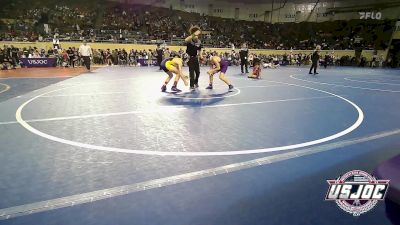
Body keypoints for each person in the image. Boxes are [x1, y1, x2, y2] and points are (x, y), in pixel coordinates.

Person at [185, 26, 203, 90]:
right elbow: (185, 40)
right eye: (195, 35)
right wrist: (193, 34)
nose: (196, 36)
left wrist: (201, 56)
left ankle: (196, 82)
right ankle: (191, 85)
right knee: (191, 72)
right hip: (189, 58)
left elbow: (200, 49)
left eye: (197, 35)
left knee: (198, 72)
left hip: (195, 58)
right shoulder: (189, 40)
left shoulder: (199, 42)